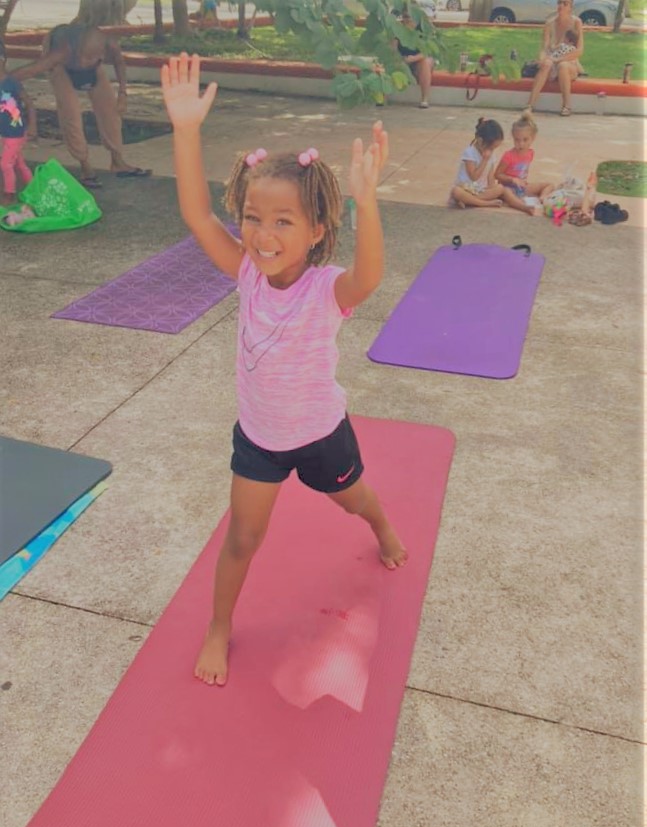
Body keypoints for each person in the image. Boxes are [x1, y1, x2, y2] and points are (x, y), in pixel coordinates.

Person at [161, 53, 408, 687]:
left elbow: (369, 277)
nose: (262, 234)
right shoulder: (246, 271)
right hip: (260, 439)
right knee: (242, 539)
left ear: (317, 229)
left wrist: (367, 200)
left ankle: (381, 525)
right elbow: (197, 216)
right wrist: (186, 131)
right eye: (252, 217)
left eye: (282, 222)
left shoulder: (326, 289)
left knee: (353, 501)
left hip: (321, 434)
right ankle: (220, 625)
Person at [11, 22, 150, 188]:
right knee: (71, 114)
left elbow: (119, 63)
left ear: (101, 54)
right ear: (77, 50)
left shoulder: (109, 46)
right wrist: (4, 79)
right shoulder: (62, 51)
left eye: (90, 58)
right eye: (82, 57)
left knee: (111, 111)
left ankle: (118, 162)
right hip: (61, 64)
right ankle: (85, 166)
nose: (84, 62)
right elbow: (31, 70)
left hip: (92, 63)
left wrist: (122, 94)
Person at [450, 117, 538, 214]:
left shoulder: (490, 154)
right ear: (480, 141)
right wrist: (484, 160)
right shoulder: (470, 153)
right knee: (456, 191)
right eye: (491, 148)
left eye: (494, 148)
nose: (492, 151)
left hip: (481, 191)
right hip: (466, 189)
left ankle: (468, 201)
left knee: (500, 188)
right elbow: (474, 177)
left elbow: (490, 177)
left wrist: (493, 190)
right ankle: (483, 203)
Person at [526, 0, 584, 117]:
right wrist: (542, 59)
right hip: (552, 60)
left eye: (565, 4)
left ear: (570, 7)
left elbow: (579, 51)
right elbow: (544, 48)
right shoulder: (549, 23)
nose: (561, 6)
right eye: (559, 3)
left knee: (563, 65)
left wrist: (558, 60)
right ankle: (529, 105)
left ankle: (566, 106)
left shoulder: (576, 22)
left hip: (569, 62)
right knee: (546, 64)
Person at [0, 38, 36, 206]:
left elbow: (29, 103)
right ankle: (33, 187)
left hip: (15, 132)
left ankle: (10, 193)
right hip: (5, 132)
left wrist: (32, 125)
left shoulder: (11, 83)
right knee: (19, 162)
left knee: (5, 163)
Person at [494, 110, 555, 204]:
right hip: (509, 188)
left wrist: (522, 183)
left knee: (550, 185)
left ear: (533, 138)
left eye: (525, 140)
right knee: (505, 192)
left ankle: (542, 198)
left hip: (522, 187)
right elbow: (497, 175)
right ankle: (523, 206)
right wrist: (512, 180)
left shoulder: (530, 153)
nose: (521, 144)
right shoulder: (508, 155)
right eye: (517, 140)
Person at [393, 9, 434, 108]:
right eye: (404, 17)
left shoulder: (423, 28)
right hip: (403, 59)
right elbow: (393, 49)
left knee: (425, 62)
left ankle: (424, 99)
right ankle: (382, 99)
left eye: (409, 17)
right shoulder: (397, 29)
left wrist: (413, 58)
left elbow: (427, 50)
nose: (407, 20)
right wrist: (401, 59)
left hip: (419, 59)